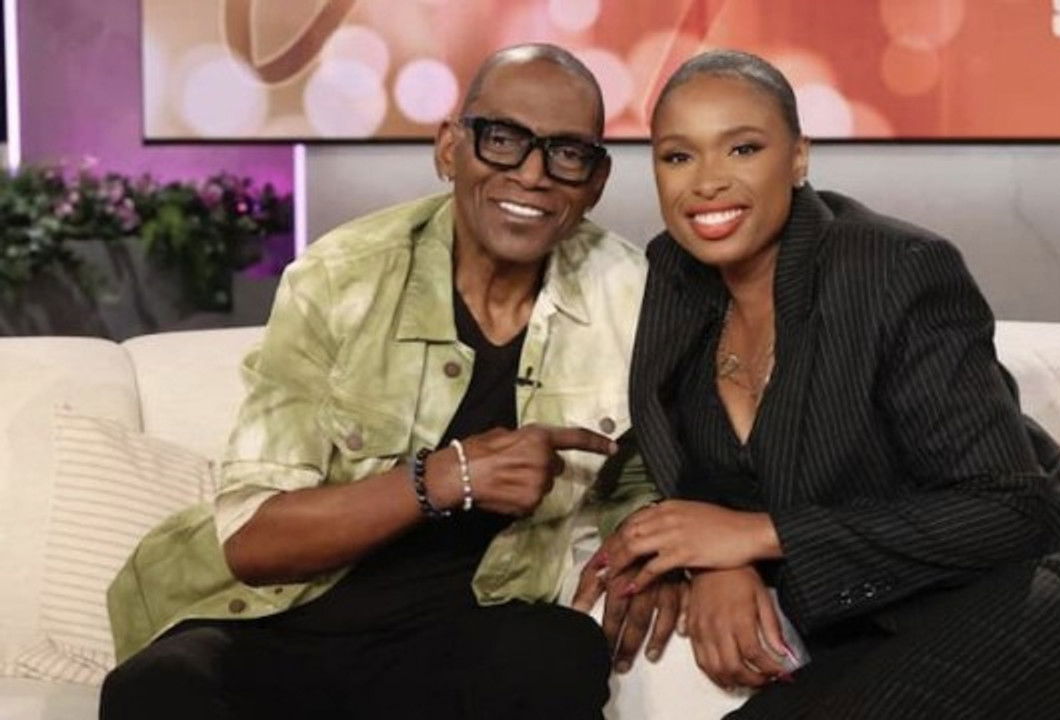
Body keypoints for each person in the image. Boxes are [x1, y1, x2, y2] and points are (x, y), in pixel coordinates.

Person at [574, 49, 1060, 719]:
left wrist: (760, 535)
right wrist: (715, 563)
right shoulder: (673, 280)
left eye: (743, 148)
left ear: (798, 157)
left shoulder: (893, 270)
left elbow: (1008, 508)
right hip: (900, 623)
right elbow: (689, 468)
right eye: (678, 156)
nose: (707, 181)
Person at [101, 43, 678, 720]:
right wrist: (446, 478)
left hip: (461, 634)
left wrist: (656, 553)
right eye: (502, 140)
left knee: (561, 654)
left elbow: (645, 475)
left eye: (567, 153)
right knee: (155, 691)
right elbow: (255, 540)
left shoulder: (630, 296)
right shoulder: (340, 278)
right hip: (285, 621)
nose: (532, 174)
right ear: (449, 148)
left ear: (597, 180)